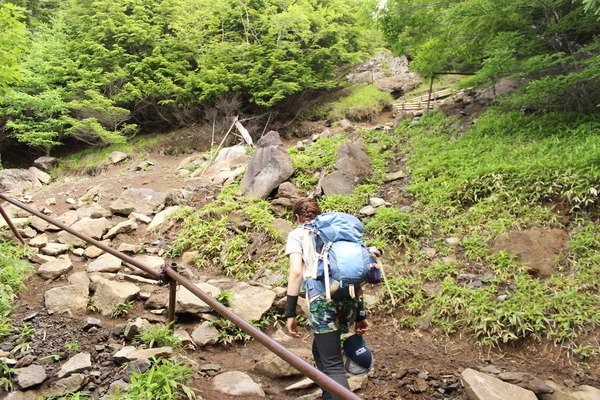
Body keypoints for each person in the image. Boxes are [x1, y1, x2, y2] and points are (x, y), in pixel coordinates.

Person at [284, 198, 370, 400]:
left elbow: (296, 273)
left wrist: (290, 312)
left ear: (297, 217)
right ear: (319, 215)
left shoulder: (297, 234)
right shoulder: (335, 233)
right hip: (347, 298)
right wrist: (360, 314)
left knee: (333, 363)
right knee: (320, 348)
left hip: (322, 299)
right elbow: (355, 274)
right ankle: (329, 395)